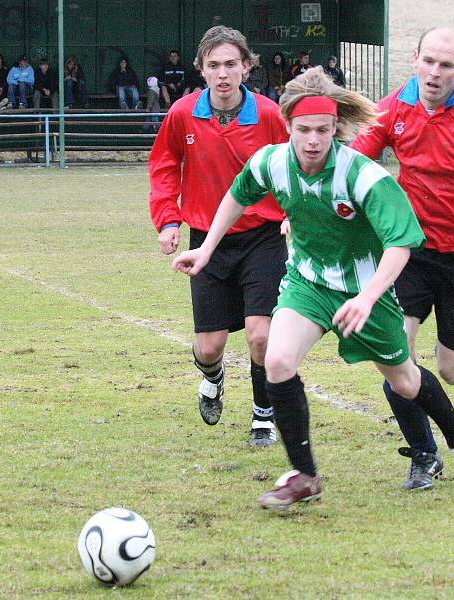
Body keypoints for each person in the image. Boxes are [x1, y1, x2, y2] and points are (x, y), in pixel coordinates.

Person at [173, 67, 454, 510]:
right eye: (303, 130)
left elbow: (401, 245)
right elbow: (238, 195)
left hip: (364, 291)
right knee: (278, 360)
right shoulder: (271, 161)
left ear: (336, 128)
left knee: (404, 380)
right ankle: (304, 476)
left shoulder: (363, 176)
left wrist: (368, 296)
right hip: (307, 282)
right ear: (289, 128)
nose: (313, 140)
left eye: (323, 130)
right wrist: (205, 250)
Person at [351, 27, 454, 492]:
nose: (435, 73)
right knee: (394, 354)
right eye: (429, 62)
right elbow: (359, 159)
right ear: (416, 59)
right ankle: (426, 452)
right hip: (411, 251)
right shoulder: (392, 107)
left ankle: (453, 418)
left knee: (452, 371)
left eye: (446, 65)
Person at [148, 26, 289, 448]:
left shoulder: (268, 115)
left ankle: (263, 414)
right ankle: (213, 378)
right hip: (206, 239)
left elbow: (292, 167)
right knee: (208, 347)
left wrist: (291, 214)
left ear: (247, 67)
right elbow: (164, 166)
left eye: (231, 64)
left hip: (263, 237)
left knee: (261, 335)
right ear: (201, 71)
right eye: (214, 66)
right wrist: (168, 219)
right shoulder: (183, 114)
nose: (223, 73)